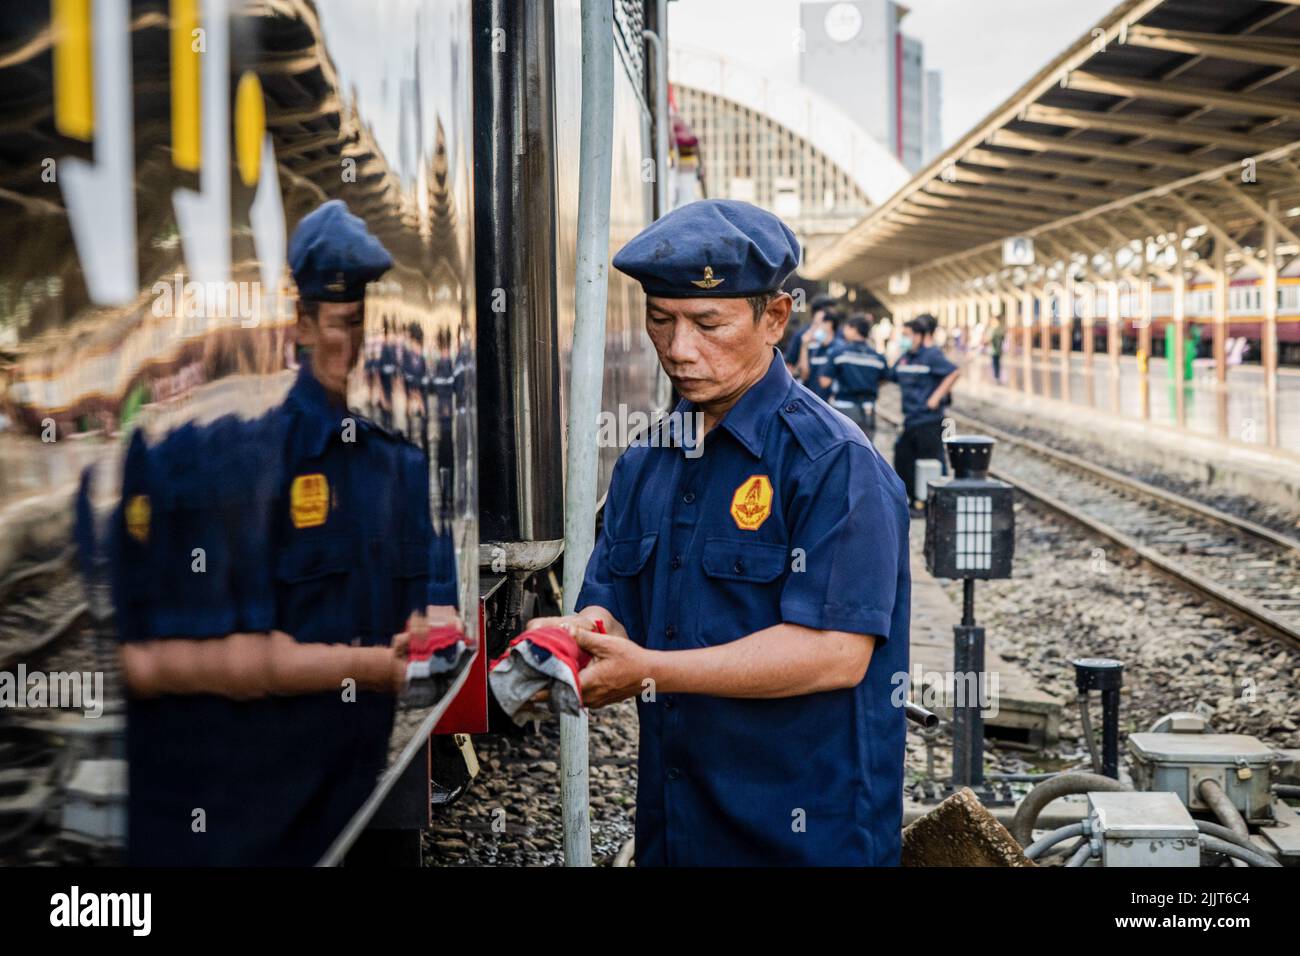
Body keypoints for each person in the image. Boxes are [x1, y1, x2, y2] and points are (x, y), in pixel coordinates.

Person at [530, 199, 910, 866]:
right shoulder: (648, 462)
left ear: (775, 318)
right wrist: (573, 640)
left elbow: (835, 652)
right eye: (660, 320)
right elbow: (614, 603)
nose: (679, 350)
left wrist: (652, 672)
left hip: (804, 840)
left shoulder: (834, 465)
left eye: (709, 323)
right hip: (680, 829)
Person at [110, 199, 452, 865]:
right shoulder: (237, 461)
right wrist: (367, 666)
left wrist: (431, 631)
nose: (346, 344)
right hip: (254, 816)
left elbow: (432, 609)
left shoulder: (398, 467)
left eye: (358, 324)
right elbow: (159, 664)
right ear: (299, 323)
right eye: (335, 323)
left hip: (358, 793)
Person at [890, 313, 960, 511]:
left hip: (929, 420)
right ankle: (914, 501)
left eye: (908, 334)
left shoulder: (932, 355)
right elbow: (890, 375)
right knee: (904, 460)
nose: (904, 338)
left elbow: (954, 372)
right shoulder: (905, 358)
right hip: (911, 419)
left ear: (920, 336)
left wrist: (935, 397)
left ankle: (937, 504)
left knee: (932, 463)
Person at [826, 313, 887, 439]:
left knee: (843, 447)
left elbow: (824, 381)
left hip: (844, 408)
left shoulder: (839, 353)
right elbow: (885, 378)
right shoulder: (877, 357)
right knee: (866, 448)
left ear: (854, 329)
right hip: (868, 409)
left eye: (847, 327)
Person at [989, 315, 1005, 384]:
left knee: (995, 364)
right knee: (996, 363)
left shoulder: (995, 329)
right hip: (997, 349)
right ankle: (997, 376)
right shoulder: (1000, 329)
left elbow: (991, 339)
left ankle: (996, 376)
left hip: (995, 349)